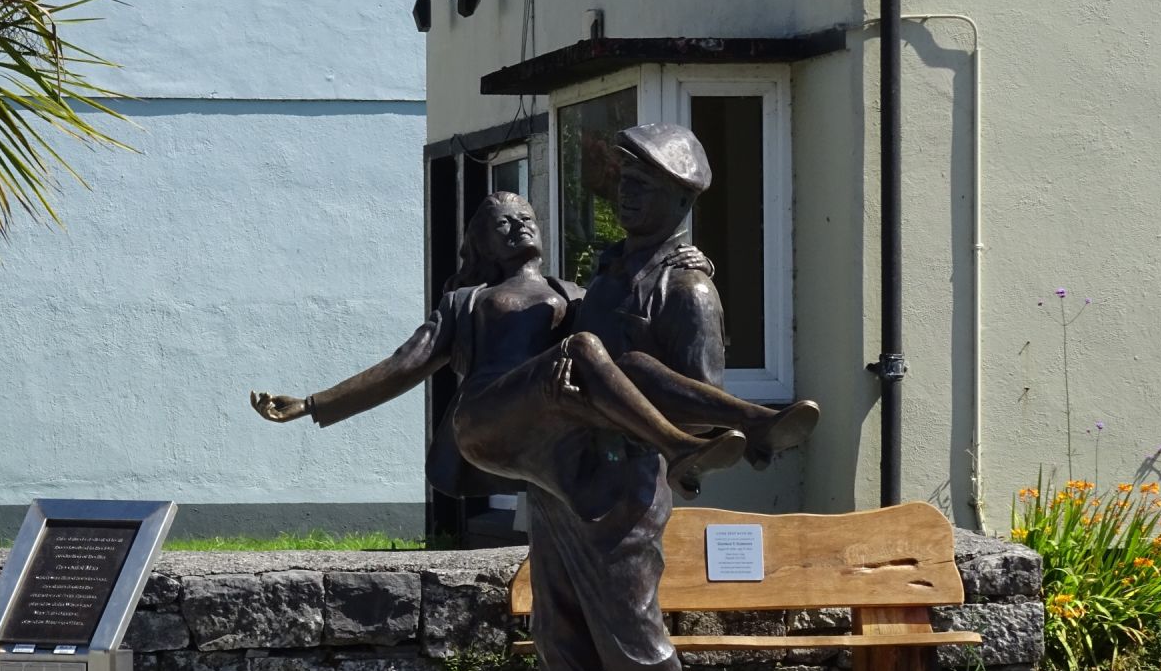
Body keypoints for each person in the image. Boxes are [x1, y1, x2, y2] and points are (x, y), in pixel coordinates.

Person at [514, 123, 812, 671]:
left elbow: (699, 403)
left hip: (626, 485)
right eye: (624, 180)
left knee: (635, 652)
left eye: (644, 185)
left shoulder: (687, 290)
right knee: (561, 643)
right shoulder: (610, 275)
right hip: (564, 479)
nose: (627, 194)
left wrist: (619, 385)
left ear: (682, 198)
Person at [250, 191, 812, 516]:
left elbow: (636, 303)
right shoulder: (468, 300)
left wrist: (686, 262)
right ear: (483, 244)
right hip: (486, 419)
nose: (519, 224)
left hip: (552, 417)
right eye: (503, 223)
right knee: (586, 346)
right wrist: (315, 404)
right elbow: (404, 364)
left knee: (632, 364)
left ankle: (756, 422)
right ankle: (680, 447)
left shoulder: (576, 293)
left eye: (526, 217)